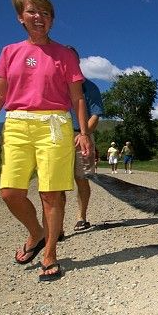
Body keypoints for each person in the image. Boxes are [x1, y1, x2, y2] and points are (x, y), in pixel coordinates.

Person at [0, 0, 91, 281]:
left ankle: (50, 252)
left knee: (51, 193)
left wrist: (84, 132)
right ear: (20, 17)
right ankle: (36, 233)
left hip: (54, 125)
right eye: (32, 12)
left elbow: (77, 97)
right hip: (17, 123)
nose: (39, 17)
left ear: (52, 20)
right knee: (10, 191)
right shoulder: (10, 52)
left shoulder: (64, 54)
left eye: (45, 13)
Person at [61, 46, 104, 232]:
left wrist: (83, 134)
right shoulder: (55, 85)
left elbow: (95, 115)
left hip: (81, 135)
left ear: (77, 62)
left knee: (82, 178)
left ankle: (81, 217)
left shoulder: (90, 87)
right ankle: (57, 225)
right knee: (56, 182)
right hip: (58, 136)